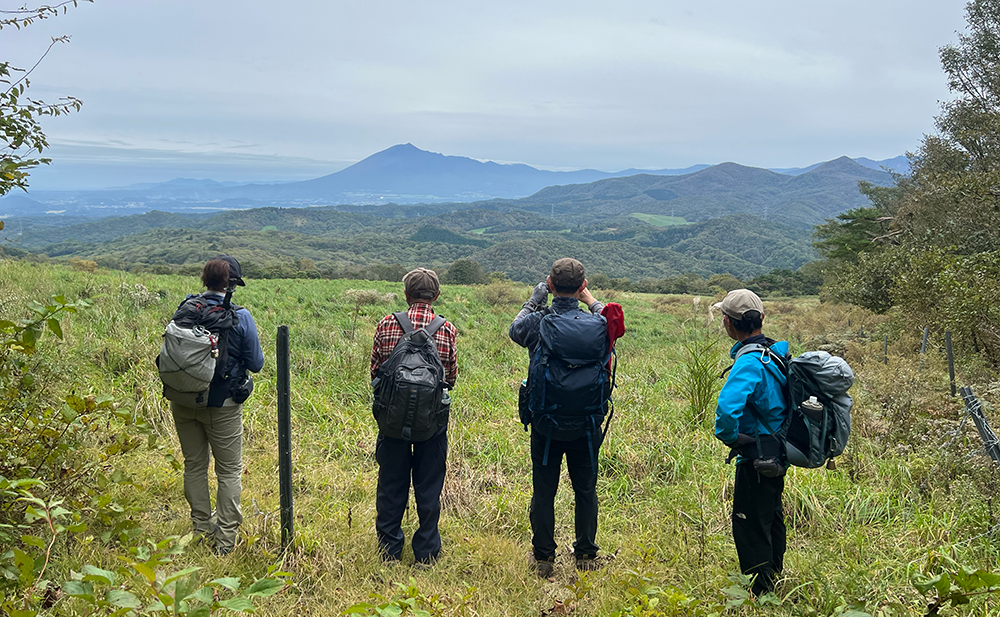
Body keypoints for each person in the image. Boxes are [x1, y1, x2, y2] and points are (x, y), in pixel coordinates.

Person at [509, 258, 623, 577]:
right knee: (586, 490)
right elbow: (616, 323)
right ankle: (586, 555)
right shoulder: (601, 326)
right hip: (587, 423)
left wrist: (534, 300)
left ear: (550, 282)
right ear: (582, 286)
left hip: (547, 422)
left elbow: (515, 329)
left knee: (544, 490)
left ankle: (544, 558)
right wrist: (591, 301)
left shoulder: (539, 322)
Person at [169, 255, 264, 556]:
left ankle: (200, 529)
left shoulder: (186, 308)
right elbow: (257, 363)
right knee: (229, 471)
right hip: (222, 403)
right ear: (232, 284)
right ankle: (225, 541)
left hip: (182, 400)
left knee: (194, 465)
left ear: (204, 280)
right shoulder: (240, 316)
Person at [370, 267, 458, 565]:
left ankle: (389, 551)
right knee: (429, 486)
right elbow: (450, 378)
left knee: (391, 484)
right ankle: (427, 554)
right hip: (431, 423)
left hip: (392, 422)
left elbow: (375, 372)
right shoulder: (446, 329)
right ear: (436, 295)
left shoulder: (386, 324)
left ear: (406, 294)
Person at [713, 289, 789, 596]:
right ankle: (773, 576)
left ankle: (760, 591)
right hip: (779, 449)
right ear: (761, 319)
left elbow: (727, 410)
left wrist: (732, 438)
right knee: (770, 515)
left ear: (729, 323)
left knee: (749, 522)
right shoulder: (774, 353)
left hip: (756, 453)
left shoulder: (748, 362)